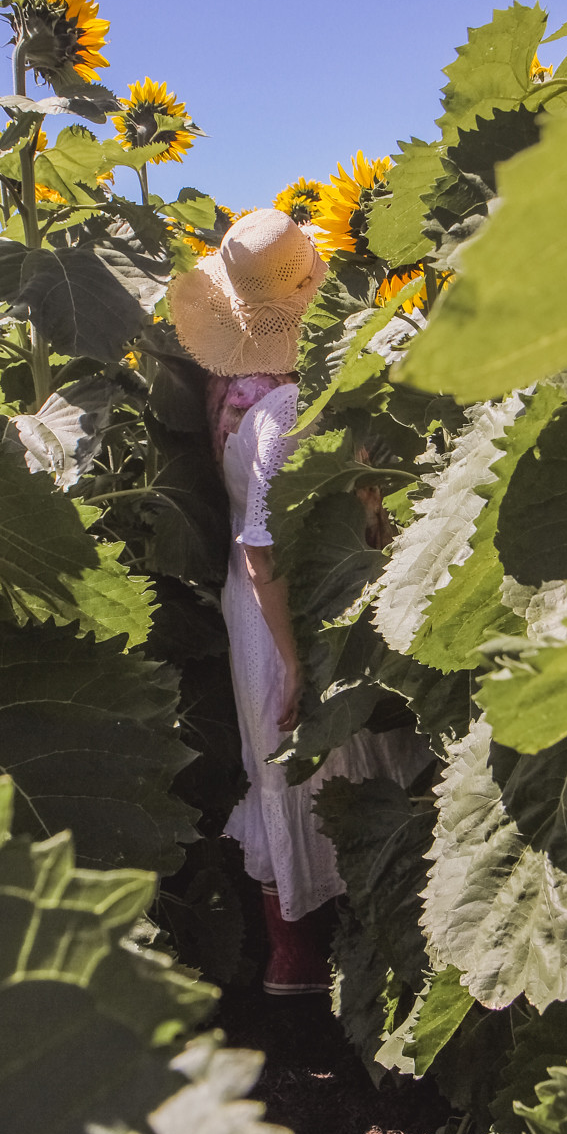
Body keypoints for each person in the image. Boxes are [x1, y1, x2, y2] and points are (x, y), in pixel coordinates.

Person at [168, 208, 426, 993]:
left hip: (255, 603)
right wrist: (292, 660)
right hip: (294, 603)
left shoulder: (227, 391)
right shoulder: (284, 410)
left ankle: (300, 958)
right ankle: (321, 961)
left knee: (282, 774)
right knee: (329, 765)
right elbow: (264, 545)